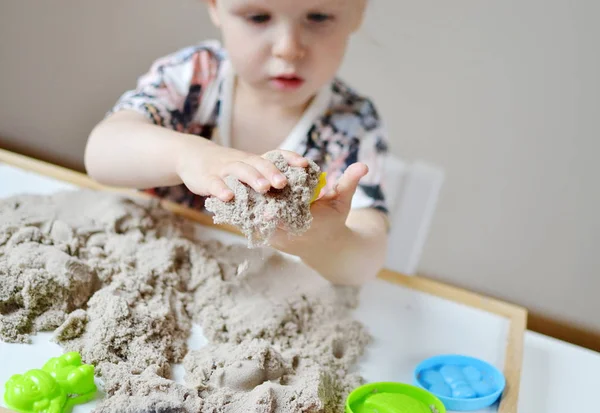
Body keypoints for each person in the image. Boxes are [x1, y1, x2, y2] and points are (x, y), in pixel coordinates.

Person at [84, 0, 390, 286]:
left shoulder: (352, 124)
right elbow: (101, 151)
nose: (288, 48)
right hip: (149, 264)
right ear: (216, 6)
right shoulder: (195, 76)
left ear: (358, 11)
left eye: (318, 17)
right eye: (258, 17)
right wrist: (189, 155)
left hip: (261, 289)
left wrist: (327, 242)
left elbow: (366, 259)